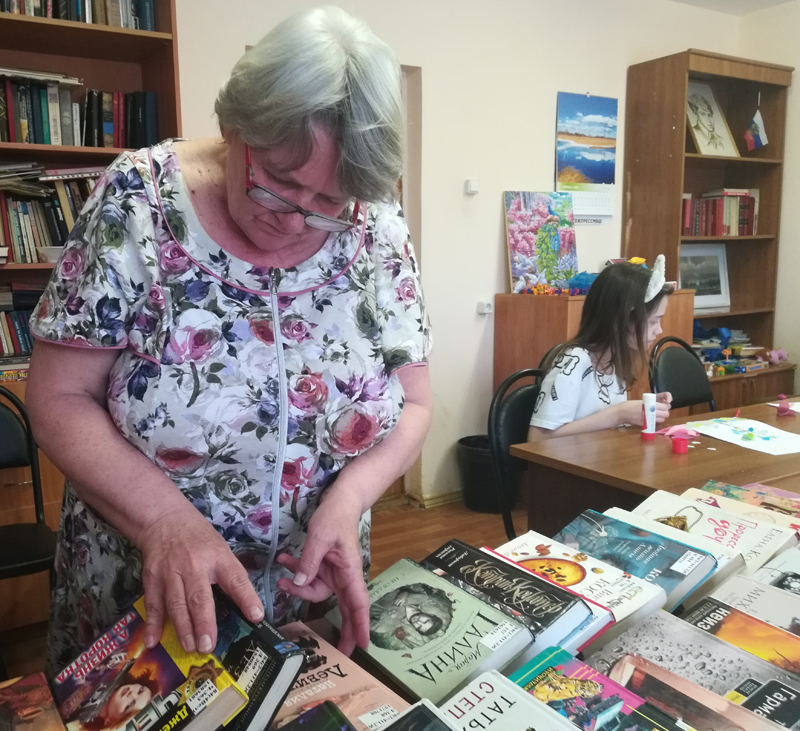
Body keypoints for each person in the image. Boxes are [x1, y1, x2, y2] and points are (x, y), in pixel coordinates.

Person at [26, 7, 432, 676]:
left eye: (330, 204)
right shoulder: (137, 202)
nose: (299, 222)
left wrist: (352, 497)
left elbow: (414, 404)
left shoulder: (378, 227)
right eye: (280, 184)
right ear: (234, 126)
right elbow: (58, 398)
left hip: (309, 597)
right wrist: (162, 520)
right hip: (145, 602)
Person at [528, 256, 672, 441]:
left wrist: (641, 409)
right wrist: (619, 414)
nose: (659, 330)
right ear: (620, 321)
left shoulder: (614, 360)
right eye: (653, 322)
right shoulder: (575, 361)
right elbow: (537, 439)